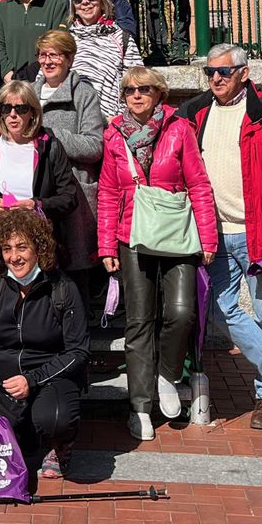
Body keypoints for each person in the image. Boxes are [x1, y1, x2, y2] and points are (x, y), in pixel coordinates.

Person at [98, 66, 218, 441]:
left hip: (177, 235)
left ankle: (167, 375)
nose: (136, 95)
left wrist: (208, 238)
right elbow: (107, 192)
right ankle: (140, 407)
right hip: (131, 235)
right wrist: (105, 246)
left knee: (182, 313)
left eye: (144, 89)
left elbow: (198, 183)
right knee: (139, 321)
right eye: (130, 89)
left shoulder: (179, 129)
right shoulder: (114, 135)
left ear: (159, 94)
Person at [175, 44, 262, 429]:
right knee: (220, 309)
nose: (216, 79)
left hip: (259, 232)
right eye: (210, 73)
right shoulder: (195, 112)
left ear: (244, 72)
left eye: (224, 72)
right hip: (215, 234)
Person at [0, 207, 88, 483]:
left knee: (55, 418)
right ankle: (29, 435)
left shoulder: (63, 287)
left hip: (51, 376)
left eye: (22, 247)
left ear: (39, 248)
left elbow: (78, 351)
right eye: (7, 248)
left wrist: (32, 380)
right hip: (5, 379)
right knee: (1, 441)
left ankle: (61, 446)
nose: (14, 257)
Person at [20, 30, 106, 285]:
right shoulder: (28, 93)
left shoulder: (84, 94)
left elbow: (94, 146)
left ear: (69, 58)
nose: (47, 61)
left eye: (54, 55)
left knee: (73, 276)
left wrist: (50, 135)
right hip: (36, 192)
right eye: (42, 55)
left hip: (73, 193)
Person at [0, 80, 73, 220]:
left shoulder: (50, 145)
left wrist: (37, 205)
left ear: (32, 112)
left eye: (21, 109)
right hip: (0, 230)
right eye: (6, 108)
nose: (13, 114)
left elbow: (68, 197)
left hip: (38, 230)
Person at [68, 0, 146, 122]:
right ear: (74, 7)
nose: (85, 2)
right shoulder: (65, 41)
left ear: (103, 2)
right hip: (71, 125)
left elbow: (137, 83)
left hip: (108, 125)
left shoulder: (122, 38)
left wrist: (120, 119)